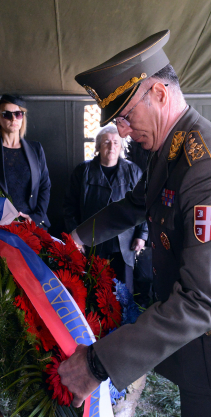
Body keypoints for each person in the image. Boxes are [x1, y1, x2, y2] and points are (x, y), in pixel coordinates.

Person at [58, 30, 211, 417]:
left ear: (158, 94)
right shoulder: (170, 148)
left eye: (125, 115)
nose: (122, 131)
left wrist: (96, 364)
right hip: (193, 335)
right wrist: (74, 238)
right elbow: (135, 205)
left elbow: (201, 301)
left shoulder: (209, 169)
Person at [63, 124, 147, 294]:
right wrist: (76, 238)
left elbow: (145, 206)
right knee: (94, 291)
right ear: (98, 147)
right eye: (106, 142)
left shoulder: (133, 171)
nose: (111, 146)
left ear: (121, 146)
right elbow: (69, 207)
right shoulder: (83, 171)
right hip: (92, 242)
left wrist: (142, 236)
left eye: (116, 142)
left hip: (124, 245)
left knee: (124, 293)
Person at [0, 94, 51, 229]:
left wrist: (35, 217)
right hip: (0, 224)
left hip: (32, 223)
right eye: (6, 114)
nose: (13, 118)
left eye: (18, 114)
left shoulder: (36, 148)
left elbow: (45, 185)